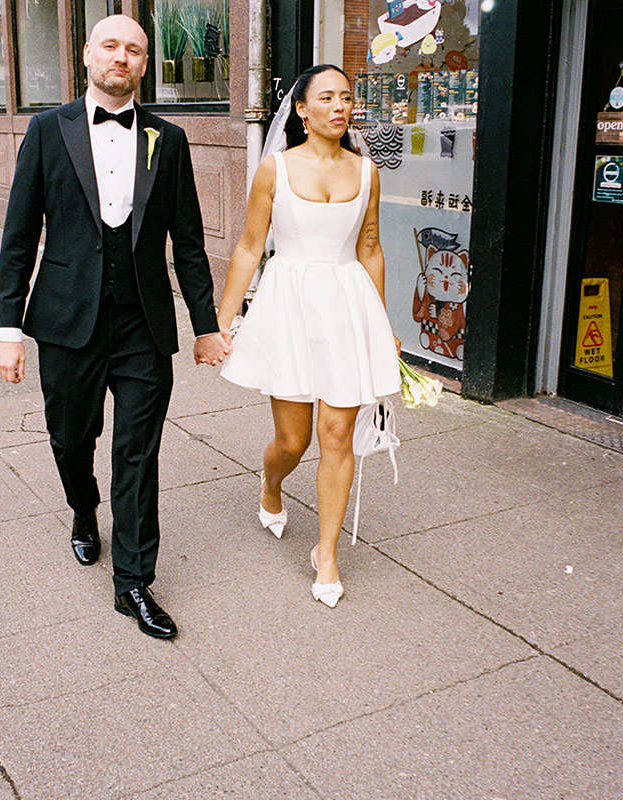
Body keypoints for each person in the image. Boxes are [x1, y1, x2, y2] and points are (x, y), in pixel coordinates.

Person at [0, 14, 228, 639]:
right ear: (89, 55)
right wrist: (7, 330)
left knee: (138, 453)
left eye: (134, 50)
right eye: (111, 46)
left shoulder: (168, 139)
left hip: (144, 324)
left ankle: (133, 584)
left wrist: (205, 325)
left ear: (145, 65)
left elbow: (190, 242)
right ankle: (81, 508)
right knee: (72, 438)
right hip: (68, 320)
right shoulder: (47, 130)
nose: (121, 57)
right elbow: (19, 238)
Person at [215, 65, 401, 608]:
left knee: (338, 435)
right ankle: (272, 483)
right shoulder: (274, 169)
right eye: (327, 98)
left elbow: (370, 249)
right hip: (290, 303)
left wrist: (382, 326)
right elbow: (251, 246)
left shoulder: (367, 172)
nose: (340, 107)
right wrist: (221, 322)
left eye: (347, 98)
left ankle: (328, 553)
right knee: (294, 442)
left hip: (347, 305)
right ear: (301, 109)